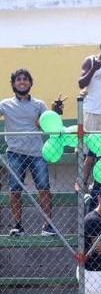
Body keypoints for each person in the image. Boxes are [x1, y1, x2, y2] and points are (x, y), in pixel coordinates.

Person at [1, 68, 63, 236]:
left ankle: (48, 226)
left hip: (37, 152)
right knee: (15, 190)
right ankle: (17, 226)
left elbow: (48, 122)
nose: (22, 82)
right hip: (15, 152)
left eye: (26, 79)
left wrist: (56, 111)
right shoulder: (4, 104)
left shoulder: (39, 104)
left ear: (30, 83)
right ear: (13, 84)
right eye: (19, 79)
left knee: (44, 188)